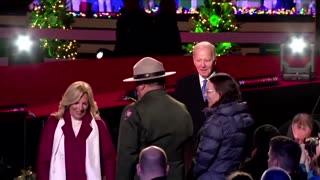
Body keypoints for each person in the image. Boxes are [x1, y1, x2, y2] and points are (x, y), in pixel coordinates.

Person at [117, 57, 193, 180]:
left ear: (141, 85)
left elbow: (126, 156)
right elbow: (189, 149)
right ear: (163, 81)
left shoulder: (134, 111)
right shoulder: (181, 108)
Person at [36, 81, 116, 180]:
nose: (80, 108)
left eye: (84, 104)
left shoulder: (98, 125)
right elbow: (44, 161)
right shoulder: (53, 124)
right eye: (76, 103)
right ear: (68, 102)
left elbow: (109, 159)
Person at [192, 73, 254, 179]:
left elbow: (204, 158)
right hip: (233, 175)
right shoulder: (243, 117)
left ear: (220, 93)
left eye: (209, 91)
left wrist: (193, 173)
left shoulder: (217, 122)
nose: (206, 95)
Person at [175, 41, 217, 154]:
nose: (202, 65)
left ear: (215, 60)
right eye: (199, 60)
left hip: (220, 149)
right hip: (192, 150)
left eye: (207, 60)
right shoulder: (183, 85)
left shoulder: (227, 83)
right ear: (193, 60)